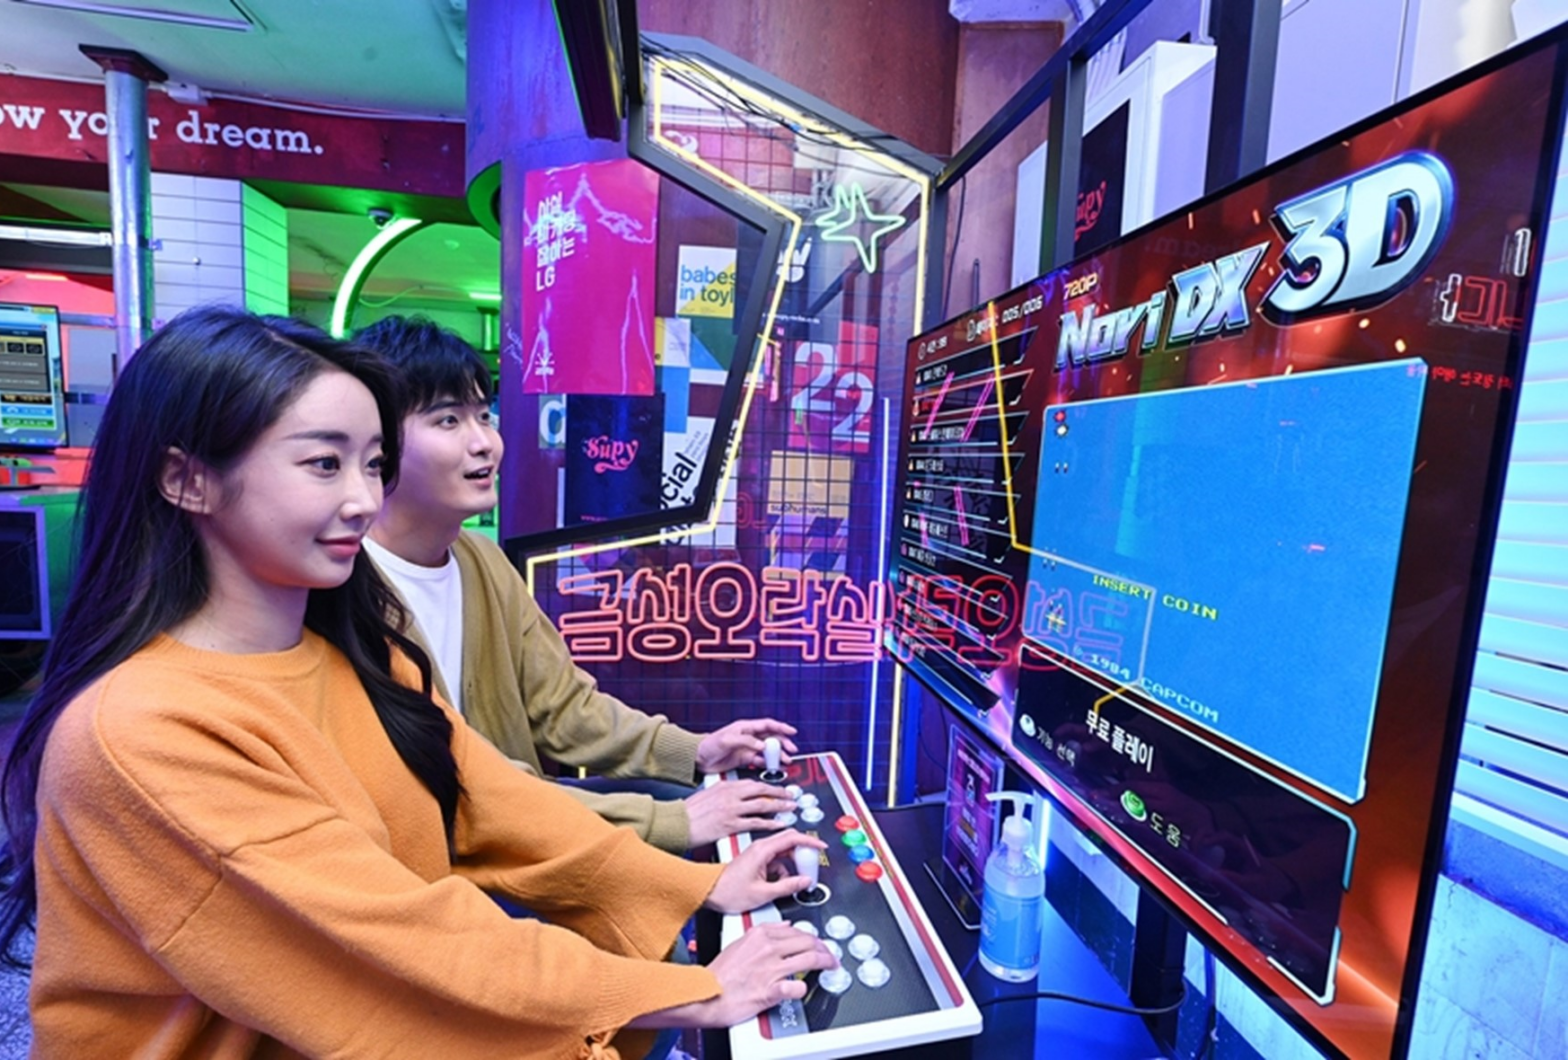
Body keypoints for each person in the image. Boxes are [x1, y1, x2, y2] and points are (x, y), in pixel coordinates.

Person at [0, 307, 835, 1059]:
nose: (364, 499)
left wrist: (694, 880)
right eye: (325, 465)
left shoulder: (358, 644)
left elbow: (487, 797)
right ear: (186, 479)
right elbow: (397, 942)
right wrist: (683, 991)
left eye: (372, 463)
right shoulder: (141, 731)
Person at [354, 315, 795, 852]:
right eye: (448, 421)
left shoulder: (483, 562)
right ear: (378, 445)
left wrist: (696, 752)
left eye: (483, 416)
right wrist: (672, 821)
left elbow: (563, 709)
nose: (485, 444)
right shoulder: (347, 593)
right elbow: (463, 787)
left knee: (710, 822)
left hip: (513, 817)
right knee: (680, 862)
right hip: (450, 858)